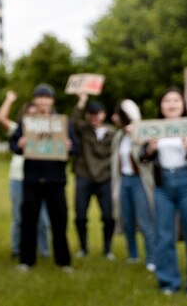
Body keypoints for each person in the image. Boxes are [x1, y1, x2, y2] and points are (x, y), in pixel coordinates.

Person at [140, 87, 187, 299]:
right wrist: (149, 150)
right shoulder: (154, 129)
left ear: (183, 104)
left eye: (176, 100)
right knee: (164, 236)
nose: (171, 104)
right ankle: (169, 282)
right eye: (166, 101)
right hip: (163, 187)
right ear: (161, 106)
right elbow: (143, 157)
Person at [9, 83, 79, 271]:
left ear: (52, 100)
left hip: (56, 179)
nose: (43, 101)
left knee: (59, 221)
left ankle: (64, 261)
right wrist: (20, 144)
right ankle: (26, 261)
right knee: (29, 219)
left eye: (47, 97)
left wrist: (69, 146)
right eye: (40, 97)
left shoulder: (62, 123)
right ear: (35, 100)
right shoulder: (27, 122)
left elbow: (76, 147)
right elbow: (13, 144)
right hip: (32, 179)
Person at [0, 90, 51, 259]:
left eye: (36, 113)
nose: (33, 115)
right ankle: (17, 249)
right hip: (18, 178)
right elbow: (0, 118)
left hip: (39, 178)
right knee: (19, 216)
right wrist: (9, 99)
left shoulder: (47, 129)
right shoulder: (17, 129)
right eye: (29, 113)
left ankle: (44, 251)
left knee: (43, 218)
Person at [110, 99, 156, 272]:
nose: (114, 118)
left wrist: (135, 135)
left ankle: (152, 258)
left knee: (145, 222)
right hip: (124, 181)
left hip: (139, 181)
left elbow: (145, 158)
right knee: (127, 221)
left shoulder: (141, 133)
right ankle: (133, 255)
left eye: (117, 114)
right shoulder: (119, 136)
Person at [71, 94, 116, 259]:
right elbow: (72, 123)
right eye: (90, 113)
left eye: (97, 113)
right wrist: (81, 102)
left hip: (105, 179)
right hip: (84, 177)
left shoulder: (112, 133)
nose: (94, 117)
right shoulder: (83, 130)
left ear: (103, 114)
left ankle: (107, 249)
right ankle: (83, 248)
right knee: (80, 216)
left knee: (108, 217)